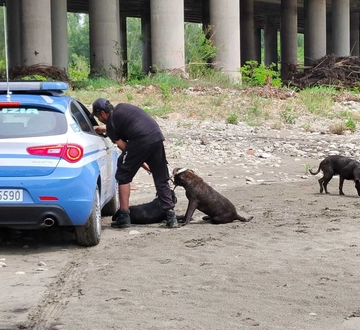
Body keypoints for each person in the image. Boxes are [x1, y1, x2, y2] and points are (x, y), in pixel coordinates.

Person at [90, 98, 178, 229]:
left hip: (141, 139)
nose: (99, 119)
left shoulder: (112, 124)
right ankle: (171, 216)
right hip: (156, 135)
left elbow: (126, 148)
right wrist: (146, 163)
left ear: (103, 113)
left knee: (123, 174)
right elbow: (131, 134)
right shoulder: (122, 108)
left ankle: (124, 216)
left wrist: (140, 162)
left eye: (98, 116)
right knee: (160, 177)